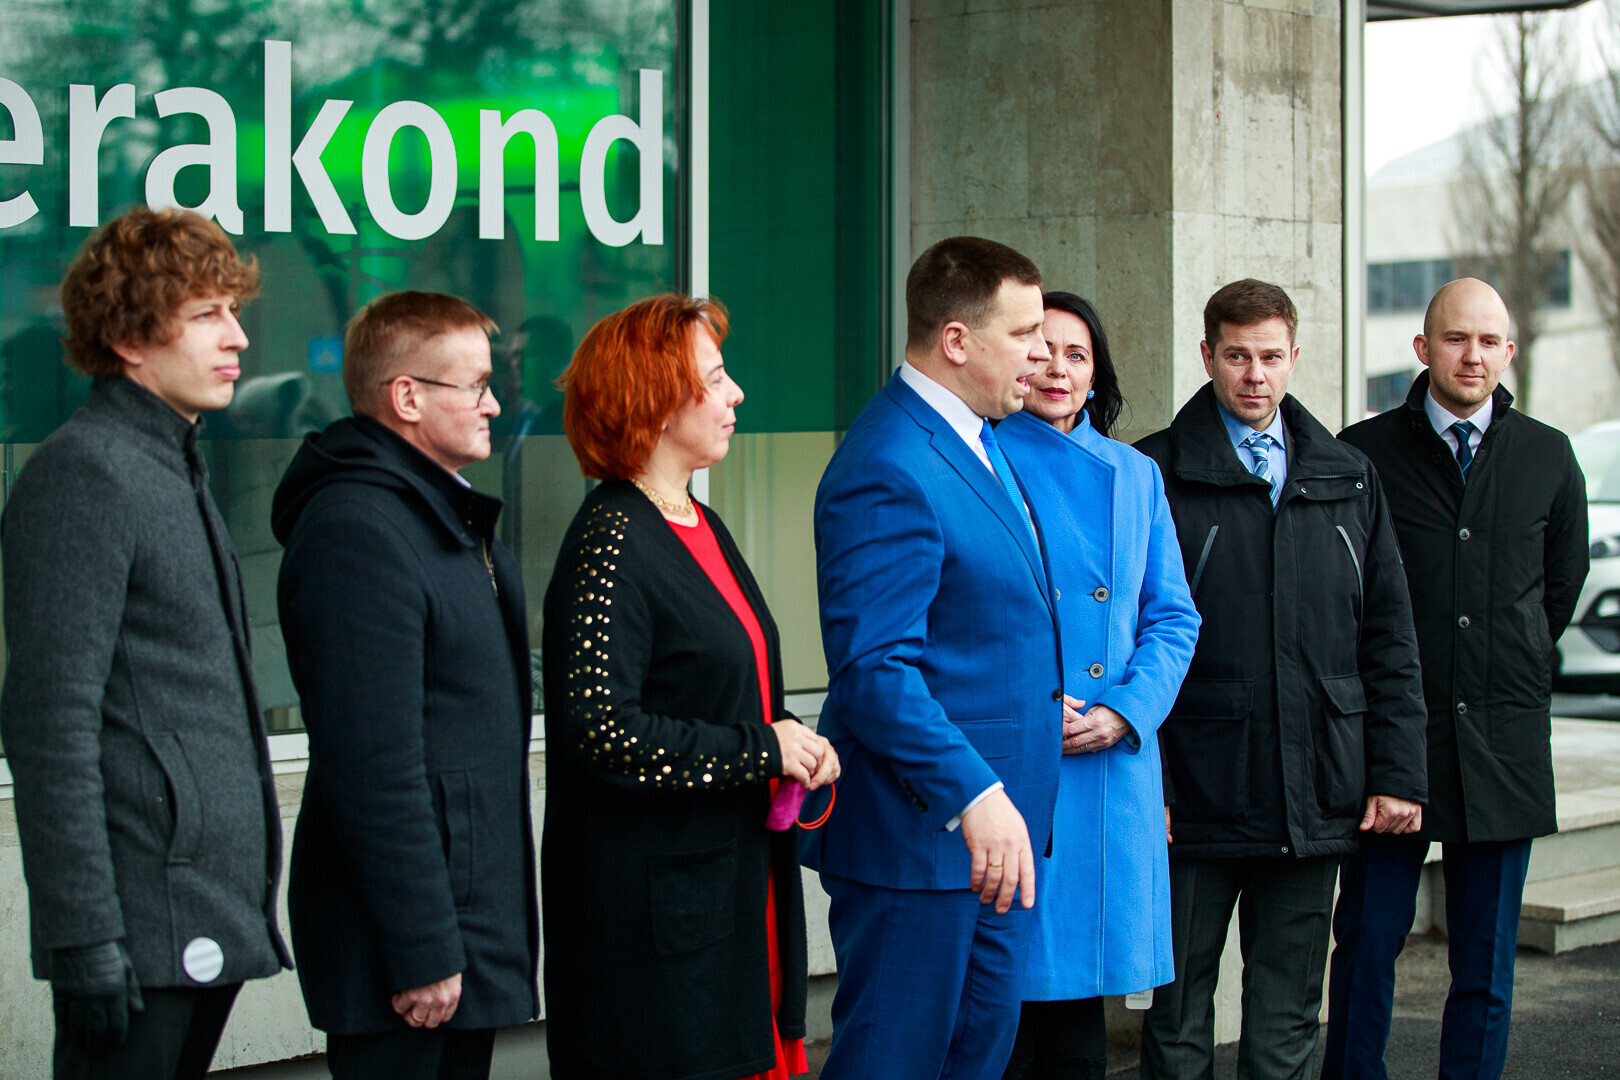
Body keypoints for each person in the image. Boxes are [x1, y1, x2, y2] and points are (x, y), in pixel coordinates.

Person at [0, 205, 290, 1078]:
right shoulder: (85, 471)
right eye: (205, 315)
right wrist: (84, 936)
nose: (236, 337)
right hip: (138, 929)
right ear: (129, 338)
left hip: (198, 915)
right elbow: (50, 724)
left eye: (233, 311)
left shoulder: (173, 459)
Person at [1134, 279, 1428, 1080]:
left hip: (1316, 790)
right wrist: (1151, 784)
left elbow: (1390, 637)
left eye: (1270, 356)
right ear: (1207, 356)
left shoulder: (1349, 474)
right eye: (1237, 356)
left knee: (1290, 1014)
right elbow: (1129, 646)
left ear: (1295, 356)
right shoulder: (1152, 471)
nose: (1254, 375)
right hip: (1195, 795)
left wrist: (1398, 773)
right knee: (1178, 1014)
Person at [541, 293, 838, 1080]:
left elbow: (725, 688)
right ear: (654, 399)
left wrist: (794, 740)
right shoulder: (611, 538)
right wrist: (763, 749)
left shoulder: (696, 520)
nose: (736, 392)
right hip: (656, 935)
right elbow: (600, 731)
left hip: (724, 895)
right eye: (713, 378)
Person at [806, 236, 1064, 1080]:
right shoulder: (888, 462)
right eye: (1023, 333)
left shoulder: (980, 437)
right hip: (922, 844)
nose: (1043, 353)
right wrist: (974, 794)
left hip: (993, 845)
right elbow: (875, 670)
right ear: (956, 341)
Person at [1323, 278, 1590, 1080]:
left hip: (1503, 744)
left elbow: (1559, 587)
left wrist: (1514, 656)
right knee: (1367, 945)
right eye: (1455, 338)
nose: (1472, 356)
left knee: (1486, 960)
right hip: (1391, 746)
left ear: (1509, 351)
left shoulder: (1548, 456)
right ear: (1423, 347)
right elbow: (1341, 596)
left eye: (1488, 342)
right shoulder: (1362, 453)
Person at [272, 292, 538, 1080]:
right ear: (407, 397)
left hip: (461, 933)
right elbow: (371, 766)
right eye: (476, 385)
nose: (495, 403)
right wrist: (422, 949)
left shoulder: (436, 515)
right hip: (406, 958)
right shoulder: (358, 529)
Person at [994, 292, 1200, 1080]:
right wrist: (1031, 709)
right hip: (1017, 761)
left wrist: (1125, 710)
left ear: (1096, 374)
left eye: (1076, 355)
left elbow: (1173, 617)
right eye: (1040, 349)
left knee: (1078, 1021)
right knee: (1006, 1005)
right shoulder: (980, 460)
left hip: (1109, 761)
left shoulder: (1135, 474)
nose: (1057, 368)